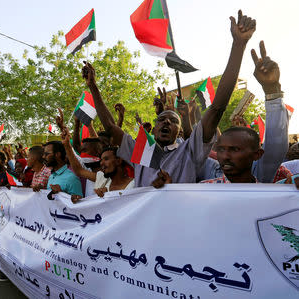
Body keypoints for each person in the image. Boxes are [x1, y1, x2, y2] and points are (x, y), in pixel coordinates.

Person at [82, 10, 256, 186]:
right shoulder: (140, 150)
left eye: (173, 121)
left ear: (179, 130)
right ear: (155, 127)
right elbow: (111, 127)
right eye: (161, 119)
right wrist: (93, 87)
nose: (166, 122)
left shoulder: (189, 152)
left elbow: (217, 107)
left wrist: (239, 45)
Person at [199, 41, 290, 183]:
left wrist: (271, 90)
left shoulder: (267, 187)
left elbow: (275, 145)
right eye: (221, 149)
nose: (225, 156)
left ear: (257, 154)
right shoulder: (204, 190)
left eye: (235, 149)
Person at [61, 128, 134, 201]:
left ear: (118, 161)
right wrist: (67, 145)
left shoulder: (134, 185)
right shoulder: (102, 178)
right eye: (101, 160)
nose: (102, 163)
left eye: (106, 159)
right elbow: (79, 171)